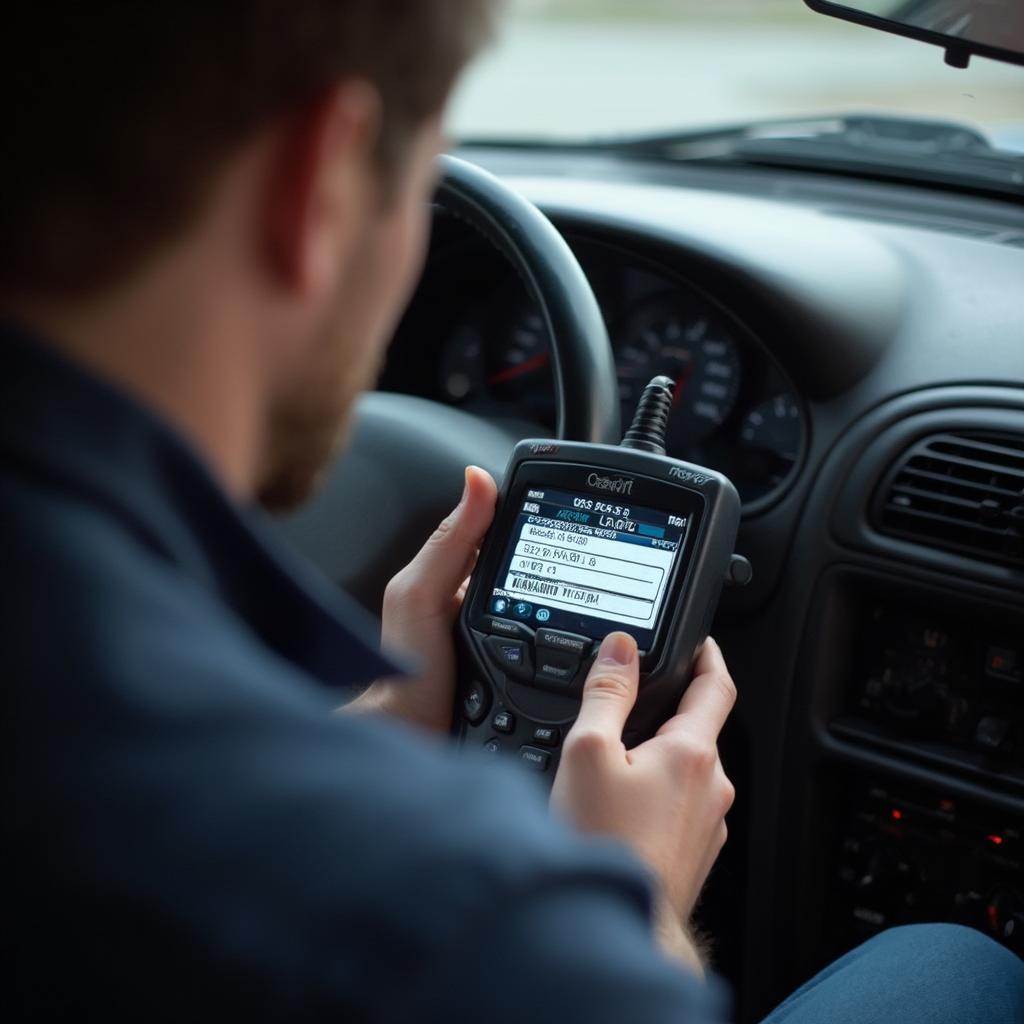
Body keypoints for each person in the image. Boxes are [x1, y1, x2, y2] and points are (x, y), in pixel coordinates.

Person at [3, 4, 1021, 1022]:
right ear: (316, 185)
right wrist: (628, 914)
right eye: (416, 187)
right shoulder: (486, 932)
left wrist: (365, 750)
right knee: (957, 964)